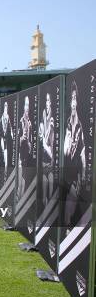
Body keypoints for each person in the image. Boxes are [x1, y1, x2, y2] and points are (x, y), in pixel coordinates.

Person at [63, 81, 86, 227]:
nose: (72, 102)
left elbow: (83, 150)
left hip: (76, 170)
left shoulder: (80, 125)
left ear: (77, 102)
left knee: (73, 198)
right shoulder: (67, 122)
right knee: (69, 199)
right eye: (71, 99)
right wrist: (68, 140)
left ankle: (69, 224)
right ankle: (66, 224)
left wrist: (83, 173)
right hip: (67, 169)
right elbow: (65, 151)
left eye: (74, 99)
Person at [39, 92, 55, 207]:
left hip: (50, 163)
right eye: (46, 100)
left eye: (49, 100)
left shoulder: (52, 122)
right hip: (42, 162)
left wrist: (52, 157)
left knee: (51, 183)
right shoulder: (42, 124)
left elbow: (52, 145)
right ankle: (45, 206)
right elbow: (44, 144)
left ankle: (49, 205)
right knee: (45, 184)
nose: (47, 103)